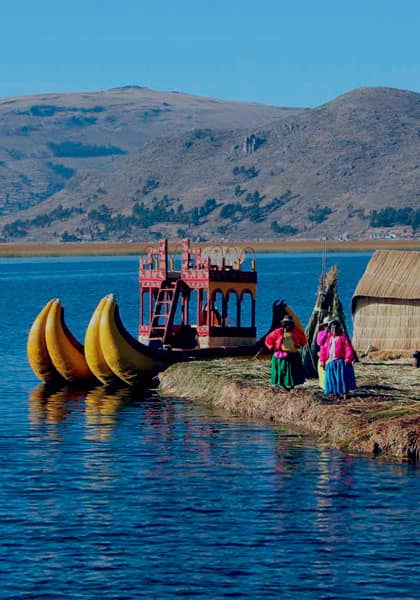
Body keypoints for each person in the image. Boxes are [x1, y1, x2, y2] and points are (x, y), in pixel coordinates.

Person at [264, 314, 307, 391]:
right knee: (281, 371)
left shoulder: (296, 331)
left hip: (293, 354)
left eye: (288, 324)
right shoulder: (278, 332)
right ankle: (282, 385)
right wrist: (271, 347)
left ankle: (292, 385)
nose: (287, 326)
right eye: (285, 323)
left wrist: (301, 344)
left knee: (293, 371)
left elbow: (303, 339)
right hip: (281, 355)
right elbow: (268, 339)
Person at [319, 320, 356, 398]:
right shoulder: (328, 339)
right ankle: (336, 393)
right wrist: (322, 361)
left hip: (340, 362)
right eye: (332, 328)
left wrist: (348, 358)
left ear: (339, 328)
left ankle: (345, 393)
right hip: (330, 362)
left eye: (335, 328)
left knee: (342, 378)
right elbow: (324, 350)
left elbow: (348, 348)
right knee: (332, 378)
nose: (334, 330)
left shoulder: (343, 338)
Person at [315, 316, 330, 389]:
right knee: (323, 372)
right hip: (323, 356)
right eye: (327, 325)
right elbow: (319, 342)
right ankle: (324, 386)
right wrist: (325, 333)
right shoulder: (321, 333)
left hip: (332, 356)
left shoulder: (335, 334)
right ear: (325, 326)